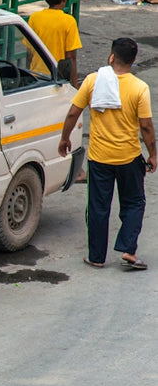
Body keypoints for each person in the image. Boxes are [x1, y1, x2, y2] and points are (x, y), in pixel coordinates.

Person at [58, 37, 156, 269]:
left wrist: (64, 138)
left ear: (111, 57)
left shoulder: (93, 81)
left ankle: (96, 257)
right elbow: (146, 127)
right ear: (133, 61)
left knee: (98, 207)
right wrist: (153, 154)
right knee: (134, 203)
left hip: (99, 158)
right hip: (129, 157)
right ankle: (128, 250)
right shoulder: (140, 88)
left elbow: (73, 112)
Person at [28, 0, 82, 88]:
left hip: (36, 76)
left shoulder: (34, 18)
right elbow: (71, 57)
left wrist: (29, 75)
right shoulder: (69, 21)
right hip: (57, 78)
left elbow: (29, 51)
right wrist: (75, 84)